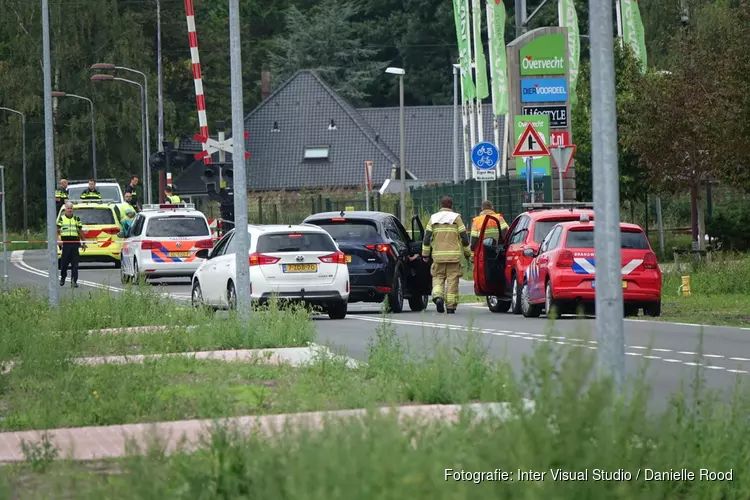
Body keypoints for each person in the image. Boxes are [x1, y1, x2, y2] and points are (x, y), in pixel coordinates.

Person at [421, 196, 471, 314]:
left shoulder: (433, 218)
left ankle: (438, 297)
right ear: (451, 206)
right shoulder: (456, 218)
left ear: (440, 205)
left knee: (438, 278)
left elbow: (427, 238)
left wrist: (425, 254)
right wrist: (468, 253)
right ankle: (450, 306)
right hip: (453, 257)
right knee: (452, 281)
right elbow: (464, 237)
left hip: (438, 257)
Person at [57, 201, 87, 287]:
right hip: (65, 243)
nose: (69, 210)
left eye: (71, 208)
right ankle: (63, 278)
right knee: (64, 263)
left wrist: (83, 242)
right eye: (68, 208)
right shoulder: (62, 219)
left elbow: (80, 231)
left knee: (75, 264)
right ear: (65, 209)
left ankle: (74, 281)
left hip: (75, 243)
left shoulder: (76, 218)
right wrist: (58, 239)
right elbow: (56, 230)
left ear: (72, 209)